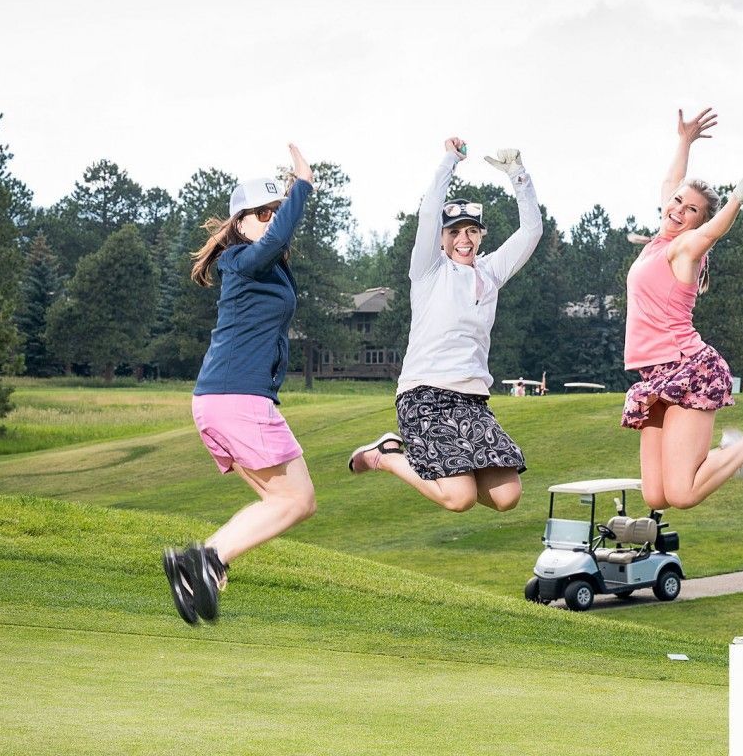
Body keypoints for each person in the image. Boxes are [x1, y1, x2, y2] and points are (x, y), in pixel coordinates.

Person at [621, 108, 743, 512]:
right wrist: (685, 141)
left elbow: (712, 231)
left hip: (687, 368)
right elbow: (670, 183)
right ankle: (732, 452)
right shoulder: (661, 237)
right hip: (653, 374)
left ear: (698, 222)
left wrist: (737, 199)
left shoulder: (685, 248)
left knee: (682, 494)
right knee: (655, 496)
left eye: (691, 209)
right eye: (677, 203)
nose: (678, 209)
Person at [163, 144, 316, 626]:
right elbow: (276, 240)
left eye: (276, 210)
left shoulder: (261, 266)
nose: (272, 219)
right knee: (298, 500)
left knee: (285, 502)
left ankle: (197, 566)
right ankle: (206, 558)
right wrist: (303, 186)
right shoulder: (243, 258)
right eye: (262, 212)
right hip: (239, 398)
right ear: (240, 224)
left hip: (226, 399)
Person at [347, 138, 541, 515]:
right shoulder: (428, 271)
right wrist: (449, 162)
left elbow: (532, 231)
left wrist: (518, 175)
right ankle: (385, 456)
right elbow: (429, 211)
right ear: (441, 237)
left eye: (471, 231)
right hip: (425, 396)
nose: (463, 239)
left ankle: (440, 470)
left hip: (472, 400)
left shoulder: (491, 272)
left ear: (481, 235)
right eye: (454, 232)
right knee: (460, 498)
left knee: (507, 496)